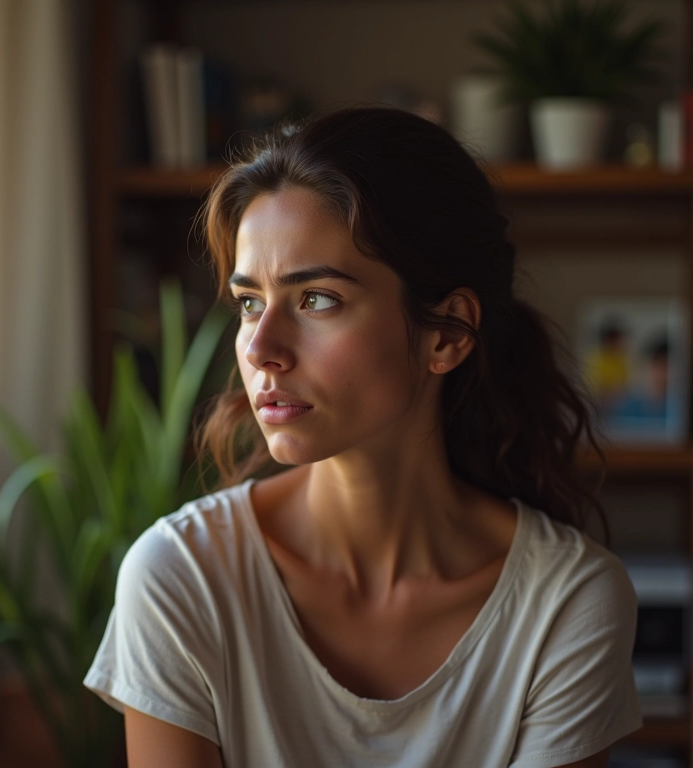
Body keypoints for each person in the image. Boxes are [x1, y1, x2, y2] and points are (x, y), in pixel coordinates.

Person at [84, 106, 641, 767]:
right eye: (249, 302)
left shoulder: (565, 604)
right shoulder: (180, 578)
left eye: (316, 299)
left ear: (446, 334)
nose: (260, 349)